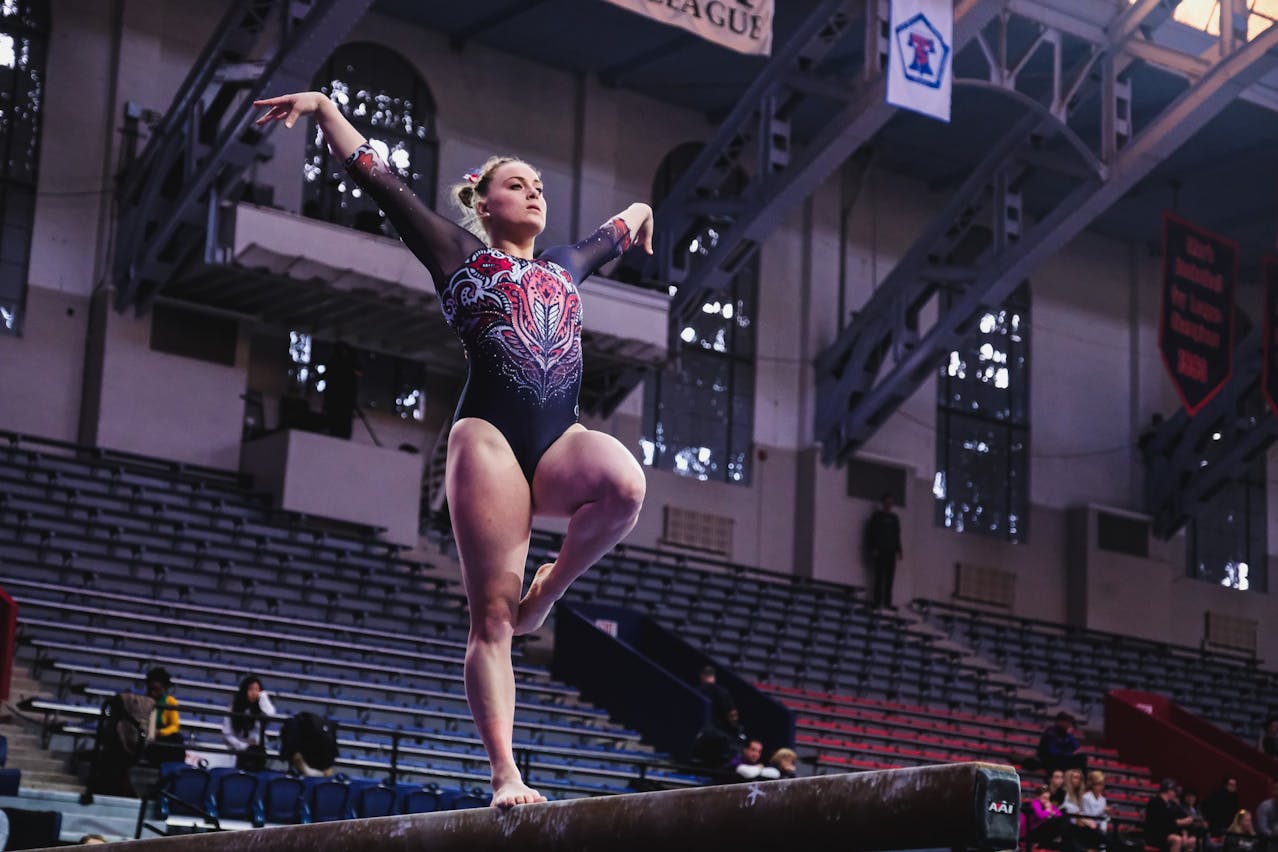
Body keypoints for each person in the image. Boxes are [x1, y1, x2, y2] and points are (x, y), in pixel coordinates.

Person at [254, 91, 653, 809]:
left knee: (626, 485)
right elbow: (375, 173)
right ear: (484, 202)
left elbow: (620, 228)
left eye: (538, 185)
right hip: (491, 441)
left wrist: (643, 217)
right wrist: (320, 106)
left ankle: (549, 592)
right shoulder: (456, 252)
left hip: (559, 439)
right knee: (490, 618)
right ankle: (505, 775)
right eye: (516, 184)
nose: (532, 190)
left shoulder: (565, 265)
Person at [223, 675, 277, 770]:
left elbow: (271, 713)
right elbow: (227, 734)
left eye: (257, 690)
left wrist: (263, 697)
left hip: (258, 751)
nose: (254, 693)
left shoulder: (261, 709)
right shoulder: (233, 708)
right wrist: (244, 746)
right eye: (251, 689)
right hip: (240, 749)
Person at [863, 493, 902, 609]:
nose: (889, 505)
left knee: (890, 579)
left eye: (891, 502)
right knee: (879, 577)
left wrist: (899, 550)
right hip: (880, 552)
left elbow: (897, 536)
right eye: (887, 502)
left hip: (891, 552)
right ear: (883, 503)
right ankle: (877, 602)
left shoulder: (894, 518)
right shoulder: (876, 517)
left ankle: (887, 602)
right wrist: (872, 548)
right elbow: (870, 534)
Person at [1026, 783, 1084, 852]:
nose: (1046, 800)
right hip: (1034, 832)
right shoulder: (1036, 803)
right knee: (1063, 823)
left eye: (1048, 798)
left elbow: (1059, 815)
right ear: (1038, 797)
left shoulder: (1048, 805)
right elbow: (1040, 816)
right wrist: (1047, 810)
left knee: (1067, 823)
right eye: (1044, 798)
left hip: (1046, 832)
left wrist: (1052, 812)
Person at [143, 667, 183, 765]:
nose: (152, 693)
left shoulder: (170, 702)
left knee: (177, 739)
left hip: (162, 737)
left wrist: (160, 732)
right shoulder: (142, 700)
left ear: (164, 688)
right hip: (144, 734)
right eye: (150, 689)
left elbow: (175, 726)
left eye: (156, 690)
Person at [1146, 778, 1199, 852]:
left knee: (1191, 841)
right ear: (1169, 791)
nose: (1175, 794)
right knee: (1176, 840)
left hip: (1169, 833)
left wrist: (1184, 834)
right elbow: (1162, 824)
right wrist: (1180, 822)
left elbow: (1180, 817)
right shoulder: (1155, 802)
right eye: (1174, 791)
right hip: (1155, 834)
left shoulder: (1171, 804)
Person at [1081, 770, 1112, 836]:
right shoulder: (1086, 797)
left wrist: (1103, 830)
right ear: (1093, 784)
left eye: (1102, 784)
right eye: (1098, 784)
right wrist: (1103, 810)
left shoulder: (1103, 799)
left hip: (1099, 830)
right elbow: (1089, 816)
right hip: (1087, 828)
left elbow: (1104, 818)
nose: (1101, 787)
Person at [1254, 782, 1278, 852]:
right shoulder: (1265, 806)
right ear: (1274, 792)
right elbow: (1262, 828)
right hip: (1266, 842)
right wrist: (1274, 835)